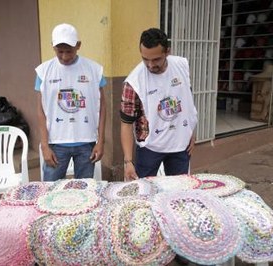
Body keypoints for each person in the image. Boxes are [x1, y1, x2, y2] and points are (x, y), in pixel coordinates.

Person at [120, 28, 197, 181]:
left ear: (167, 51)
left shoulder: (181, 65)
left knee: (179, 191)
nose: (150, 65)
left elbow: (187, 101)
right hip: (150, 148)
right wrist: (128, 161)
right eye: (145, 59)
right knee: (143, 193)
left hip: (180, 146)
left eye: (156, 59)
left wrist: (191, 132)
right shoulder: (133, 82)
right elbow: (126, 124)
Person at [35, 23, 106, 181]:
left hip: (86, 142)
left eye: (69, 51)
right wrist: (45, 146)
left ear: (78, 45)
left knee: (84, 191)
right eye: (60, 51)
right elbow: (40, 111)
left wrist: (101, 141)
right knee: (51, 191)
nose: (65, 56)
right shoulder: (43, 72)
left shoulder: (94, 70)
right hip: (56, 143)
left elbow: (102, 107)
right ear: (52, 47)